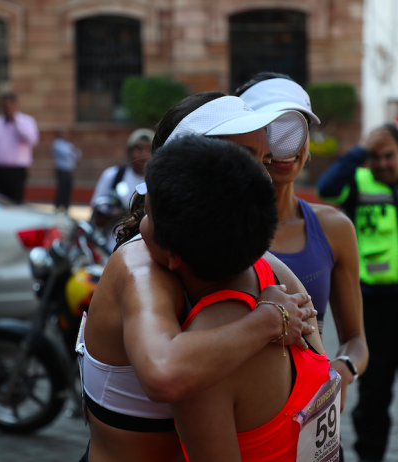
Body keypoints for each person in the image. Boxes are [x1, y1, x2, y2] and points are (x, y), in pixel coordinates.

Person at [76, 92, 318, 462]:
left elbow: (322, 379)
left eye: (263, 161)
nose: (262, 180)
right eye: (240, 161)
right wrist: (269, 319)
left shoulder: (259, 265)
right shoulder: (140, 264)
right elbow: (163, 372)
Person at [141, 135, 335, 462]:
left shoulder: (203, 365)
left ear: (173, 253)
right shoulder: (277, 274)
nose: (140, 226)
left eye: (146, 215)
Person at [236, 73, 368, 415]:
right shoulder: (221, 228)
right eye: (270, 128)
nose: (286, 145)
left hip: (314, 416)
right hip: (248, 417)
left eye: (297, 127)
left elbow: (356, 341)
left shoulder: (335, 227)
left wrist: (343, 370)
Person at [317, 124, 398, 462]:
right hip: (373, 305)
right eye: (374, 157)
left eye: (389, 155)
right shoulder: (357, 184)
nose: (382, 163)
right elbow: (327, 187)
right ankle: (370, 456)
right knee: (375, 391)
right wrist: (360, 151)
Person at [89, 128, 154, 251]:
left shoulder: (158, 180)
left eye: (149, 150)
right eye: (139, 149)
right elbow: (97, 216)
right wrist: (118, 212)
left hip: (147, 249)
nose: (144, 155)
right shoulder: (113, 176)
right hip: (112, 246)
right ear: (129, 152)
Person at [0, 93, 39, 203]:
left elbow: (32, 140)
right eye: (4, 106)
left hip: (16, 172)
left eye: (9, 105)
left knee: (14, 204)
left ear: (15, 105)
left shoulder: (27, 121)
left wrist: (16, 122)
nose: (7, 108)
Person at [52, 129, 82, 212]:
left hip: (69, 170)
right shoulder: (57, 144)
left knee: (68, 189)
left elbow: (78, 154)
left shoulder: (69, 144)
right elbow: (67, 154)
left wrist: (73, 152)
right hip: (62, 170)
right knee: (62, 189)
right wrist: (72, 152)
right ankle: (58, 206)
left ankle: (66, 206)